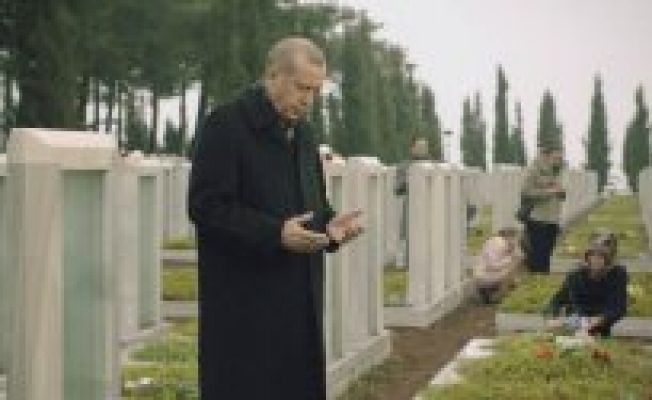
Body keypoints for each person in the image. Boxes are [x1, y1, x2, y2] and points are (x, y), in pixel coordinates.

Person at [188, 37, 363, 400]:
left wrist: (329, 228)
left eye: (315, 91)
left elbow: (311, 205)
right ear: (273, 75)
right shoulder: (227, 125)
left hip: (298, 306)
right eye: (302, 87)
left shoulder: (304, 134)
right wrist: (275, 233)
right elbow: (206, 206)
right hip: (245, 309)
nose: (308, 99)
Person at [544, 244, 628, 337]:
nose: (596, 261)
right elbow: (557, 300)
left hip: (602, 318)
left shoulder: (617, 275)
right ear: (587, 259)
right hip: (577, 317)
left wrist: (601, 319)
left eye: (600, 257)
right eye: (593, 256)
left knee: (597, 335)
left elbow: (619, 305)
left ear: (608, 261)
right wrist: (551, 318)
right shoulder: (575, 276)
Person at [520, 141, 566, 273]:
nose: (559, 159)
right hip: (538, 220)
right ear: (547, 156)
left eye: (561, 156)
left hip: (553, 220)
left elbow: (560, 195)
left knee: (546, 256)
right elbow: (526, 192)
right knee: (537, 258)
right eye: (556, 156)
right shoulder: (534, 170)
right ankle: (534, 282)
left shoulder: (558, 171)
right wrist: (549, 192)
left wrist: (561, 193)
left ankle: (542, 281)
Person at [393, 136, 430, 268]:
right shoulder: (404, 166)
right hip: (411, 206)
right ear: (412, 149)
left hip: (430, 206)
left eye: (424, 147)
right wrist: (409, 180)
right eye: (419, 146)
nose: (422, 149)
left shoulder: (434, 166)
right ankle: (408, 261)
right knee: (408, 234)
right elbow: (397, 189)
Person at [473, 227, 523, 304]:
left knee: (514, 264)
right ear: (509, 237)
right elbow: (493, 265)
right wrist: (511, 259)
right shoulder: (498, 243)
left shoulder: (503, 243)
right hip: (485, 276)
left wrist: (512, 255)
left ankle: (492, 292)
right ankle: (496, 295)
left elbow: (518, 254)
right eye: (515, 239)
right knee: (512, 267)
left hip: (487, 275)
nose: (516, 242)